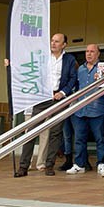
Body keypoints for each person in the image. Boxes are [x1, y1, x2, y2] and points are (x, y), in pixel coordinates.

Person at [16, 33, 78, 177]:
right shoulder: (41, 57)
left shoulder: (69, 59)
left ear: (64, 45)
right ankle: (23, 166)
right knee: (31, 131)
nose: (53, 43)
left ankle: (49, 165)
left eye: (57, 41)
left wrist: (63, 92)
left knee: (55, 133)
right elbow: (31, 72)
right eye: (52, 41)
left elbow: (72, 78)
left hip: (59, 98)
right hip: (42, 98)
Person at [67, 44, 104, 176]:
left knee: (100, 138)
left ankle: (101, 163)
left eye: (92, 51)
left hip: (97, 109)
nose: (89, 54)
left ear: (98, 54)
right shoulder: (80, 69)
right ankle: (80, 164)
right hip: (80, 109)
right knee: (79, 138)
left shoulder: (103, 69)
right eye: (87, 51)